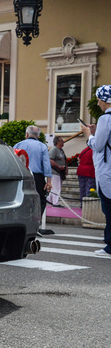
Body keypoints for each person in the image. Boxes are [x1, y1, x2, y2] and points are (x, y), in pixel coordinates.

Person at [82, 84, 111, 257]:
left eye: (99, 98)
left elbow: (98, 146)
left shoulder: (105, 119)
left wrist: (88, 135)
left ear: (103, 100)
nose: (98, 102)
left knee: (108, 209)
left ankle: (109, 246)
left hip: (107, 171)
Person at [13, 126, 53, 230]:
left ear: (26, 134)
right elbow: (46, 164)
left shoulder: (18, 145)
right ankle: (36, 223)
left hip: (21, 175)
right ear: (38, 136)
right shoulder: (42, 146)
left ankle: (22, 223)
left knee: (22, 200)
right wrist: (48, 181)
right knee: (40, 201)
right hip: (37, 177)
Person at [47, 136, 67, 207]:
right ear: (57, 142)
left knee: (56, 186)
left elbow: (64, 160)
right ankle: (55, 202)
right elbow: (50, 160)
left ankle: (49, 199)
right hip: (55, 172)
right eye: (61, 140)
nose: (63, 141)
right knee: (56, 187)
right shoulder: (54, 149)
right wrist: (58, 166)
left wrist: (66, 169)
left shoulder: (61, 150)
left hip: (59, 172)